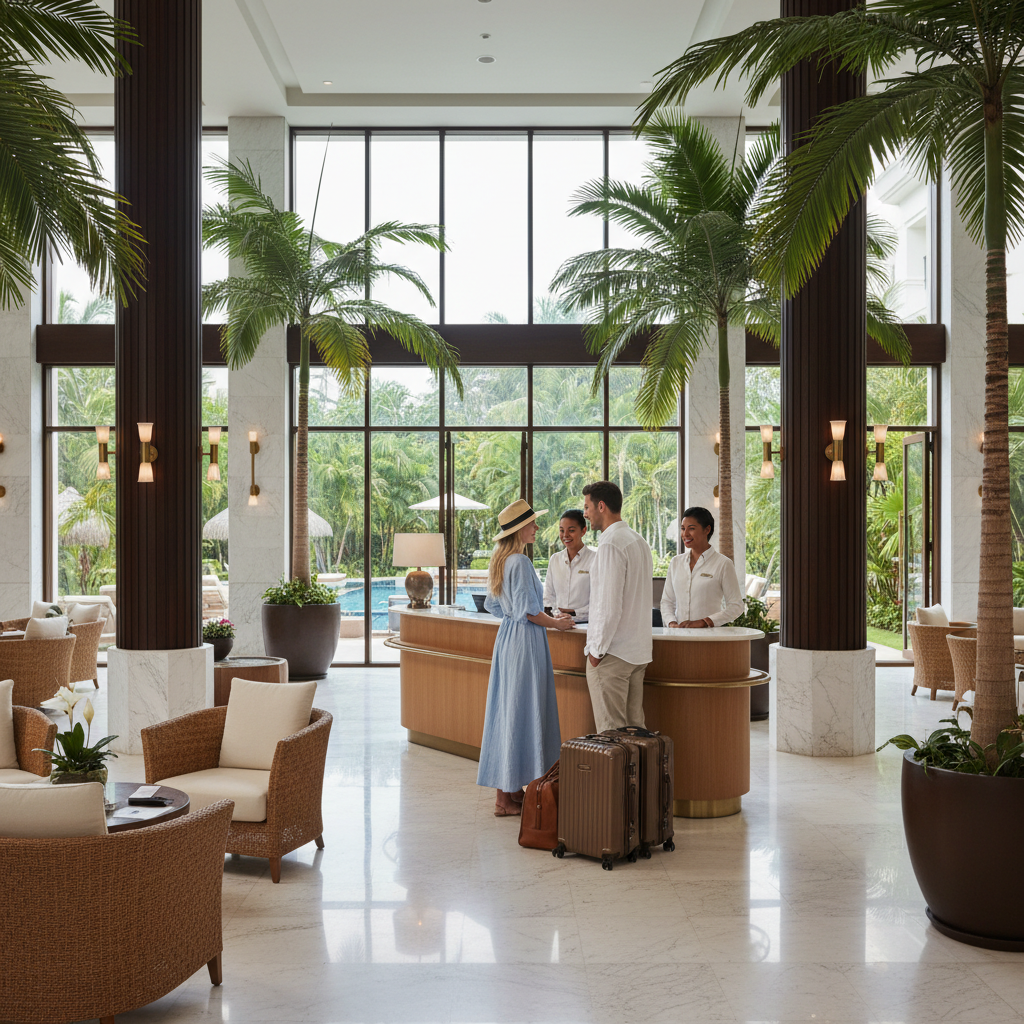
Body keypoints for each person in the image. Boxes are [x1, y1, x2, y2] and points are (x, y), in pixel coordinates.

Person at [478, 499, 575, 816]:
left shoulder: (500, 560)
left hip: (508, 640)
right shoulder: (519, 562)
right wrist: (557, 623)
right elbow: (531, 612)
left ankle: (508, 793)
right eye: (532, 523)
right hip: (525, 643)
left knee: (510, 712)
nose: (536, 527)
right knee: (524, 711)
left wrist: (521, 614)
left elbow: (494, 607)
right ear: (520, 528)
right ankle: (508, 798)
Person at [581, 480, 654, 732]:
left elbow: (608, 606)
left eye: (587, 507)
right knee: (635, 731)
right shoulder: (638, 541)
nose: (585, 513)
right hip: (638, 652)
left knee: (611, 735)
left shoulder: (611, 543)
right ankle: (639, 775)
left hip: (613, 654)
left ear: (601, 506)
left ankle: (618, 775)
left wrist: (596, 652)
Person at [661, 506, 745, 629]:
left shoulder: (723, 564)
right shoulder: (675, 562)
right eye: (683, 529)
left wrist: (705, 622)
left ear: (707, 529)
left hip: (708, 638)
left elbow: (736, 606)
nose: (685, 534)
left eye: (691, 529)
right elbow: (667, 601)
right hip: (678, 637)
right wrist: (671, 623)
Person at [543, 508, 597, 623]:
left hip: (586, 626)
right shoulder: (555, 560)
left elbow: (598, 601)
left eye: (571, 530)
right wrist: (557, 615)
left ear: (583, 531)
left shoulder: (595, 559)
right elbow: (548, 596)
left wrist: (573, 613)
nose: (565, 535)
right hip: (557, 625)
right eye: (562, 530)